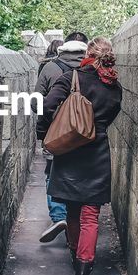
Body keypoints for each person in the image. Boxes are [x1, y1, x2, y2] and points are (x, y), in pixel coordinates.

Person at [37, 37, 122, 275]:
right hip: (97, 153)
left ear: (88, 53)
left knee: (73, 209)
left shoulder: (73, 78)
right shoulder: (114, 87)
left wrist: (45, 136)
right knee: (90, 216)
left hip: (71, 152)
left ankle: (75, 256)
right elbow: (109, 117)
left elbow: (47, 106)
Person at [36, 32, 88, 244]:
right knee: (81, 175)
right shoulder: (92, 69)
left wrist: (44, 130)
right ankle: (77, 224)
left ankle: (59, 217)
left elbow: (37, 102)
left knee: (53, 172)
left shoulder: (49, 68)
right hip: (84, 134)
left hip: (55, 133)